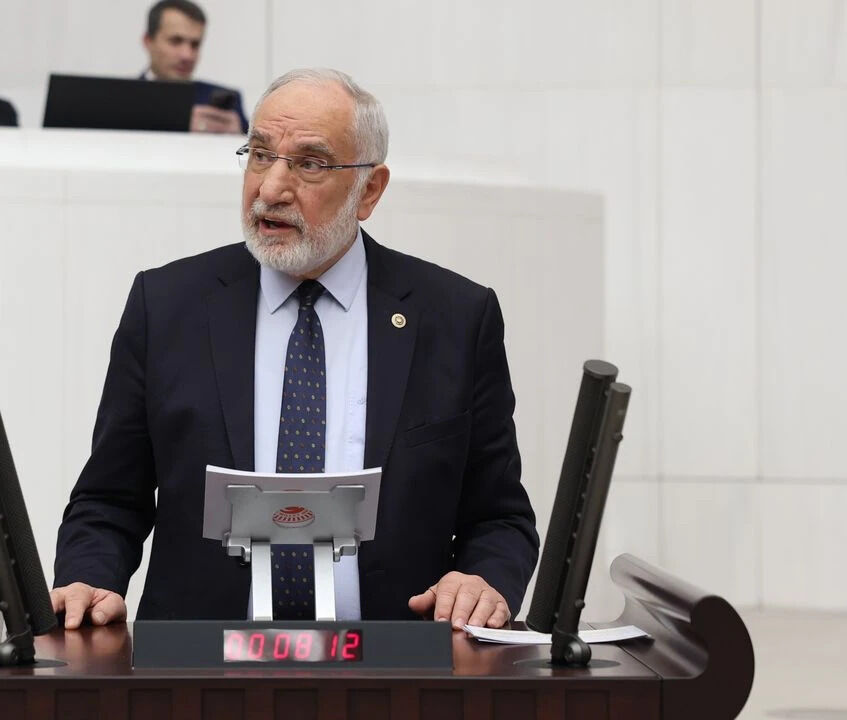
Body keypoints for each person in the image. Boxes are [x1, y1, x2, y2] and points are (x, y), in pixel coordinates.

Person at [52, 69, 539, 629]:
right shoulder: (166, 306)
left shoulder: (455, 317)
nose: (270, 189)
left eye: (309, 164)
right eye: (260, 155)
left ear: (369, 190)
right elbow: (109, 499)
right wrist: (90, 578)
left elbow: (499, 518)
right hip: (199, 664)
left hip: (395, 662)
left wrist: (482, 581)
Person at [140, 0, 247, 134]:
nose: (187, 55)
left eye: (195, 45)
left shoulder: (227, 106)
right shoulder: (123, 100)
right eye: (175, 41)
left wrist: (239, 138)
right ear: (148, 41)